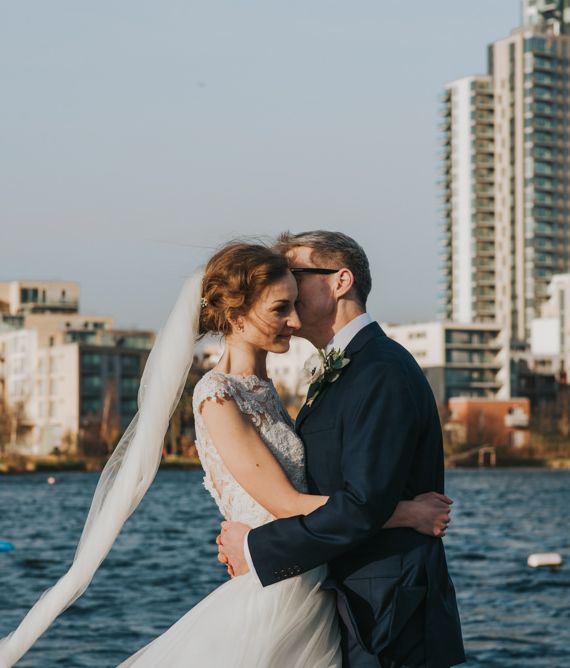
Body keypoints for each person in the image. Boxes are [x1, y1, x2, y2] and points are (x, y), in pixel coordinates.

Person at [0, 242, 449, 668]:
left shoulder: (270, 390)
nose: (293, 320)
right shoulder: (217, 396)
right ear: (236, 315)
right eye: (279, 308)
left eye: (293, 303)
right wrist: (404, 513)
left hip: (308, 582)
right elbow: (287, 505)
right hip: (278, 593)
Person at [218, 231, 465, 667]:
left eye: (295, 274)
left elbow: (362, 504)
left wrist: (258, 548)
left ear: (340, 281)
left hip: (387, 610)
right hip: (349, 601)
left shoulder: (380, 370)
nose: (285, 286)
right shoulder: (345, 369)